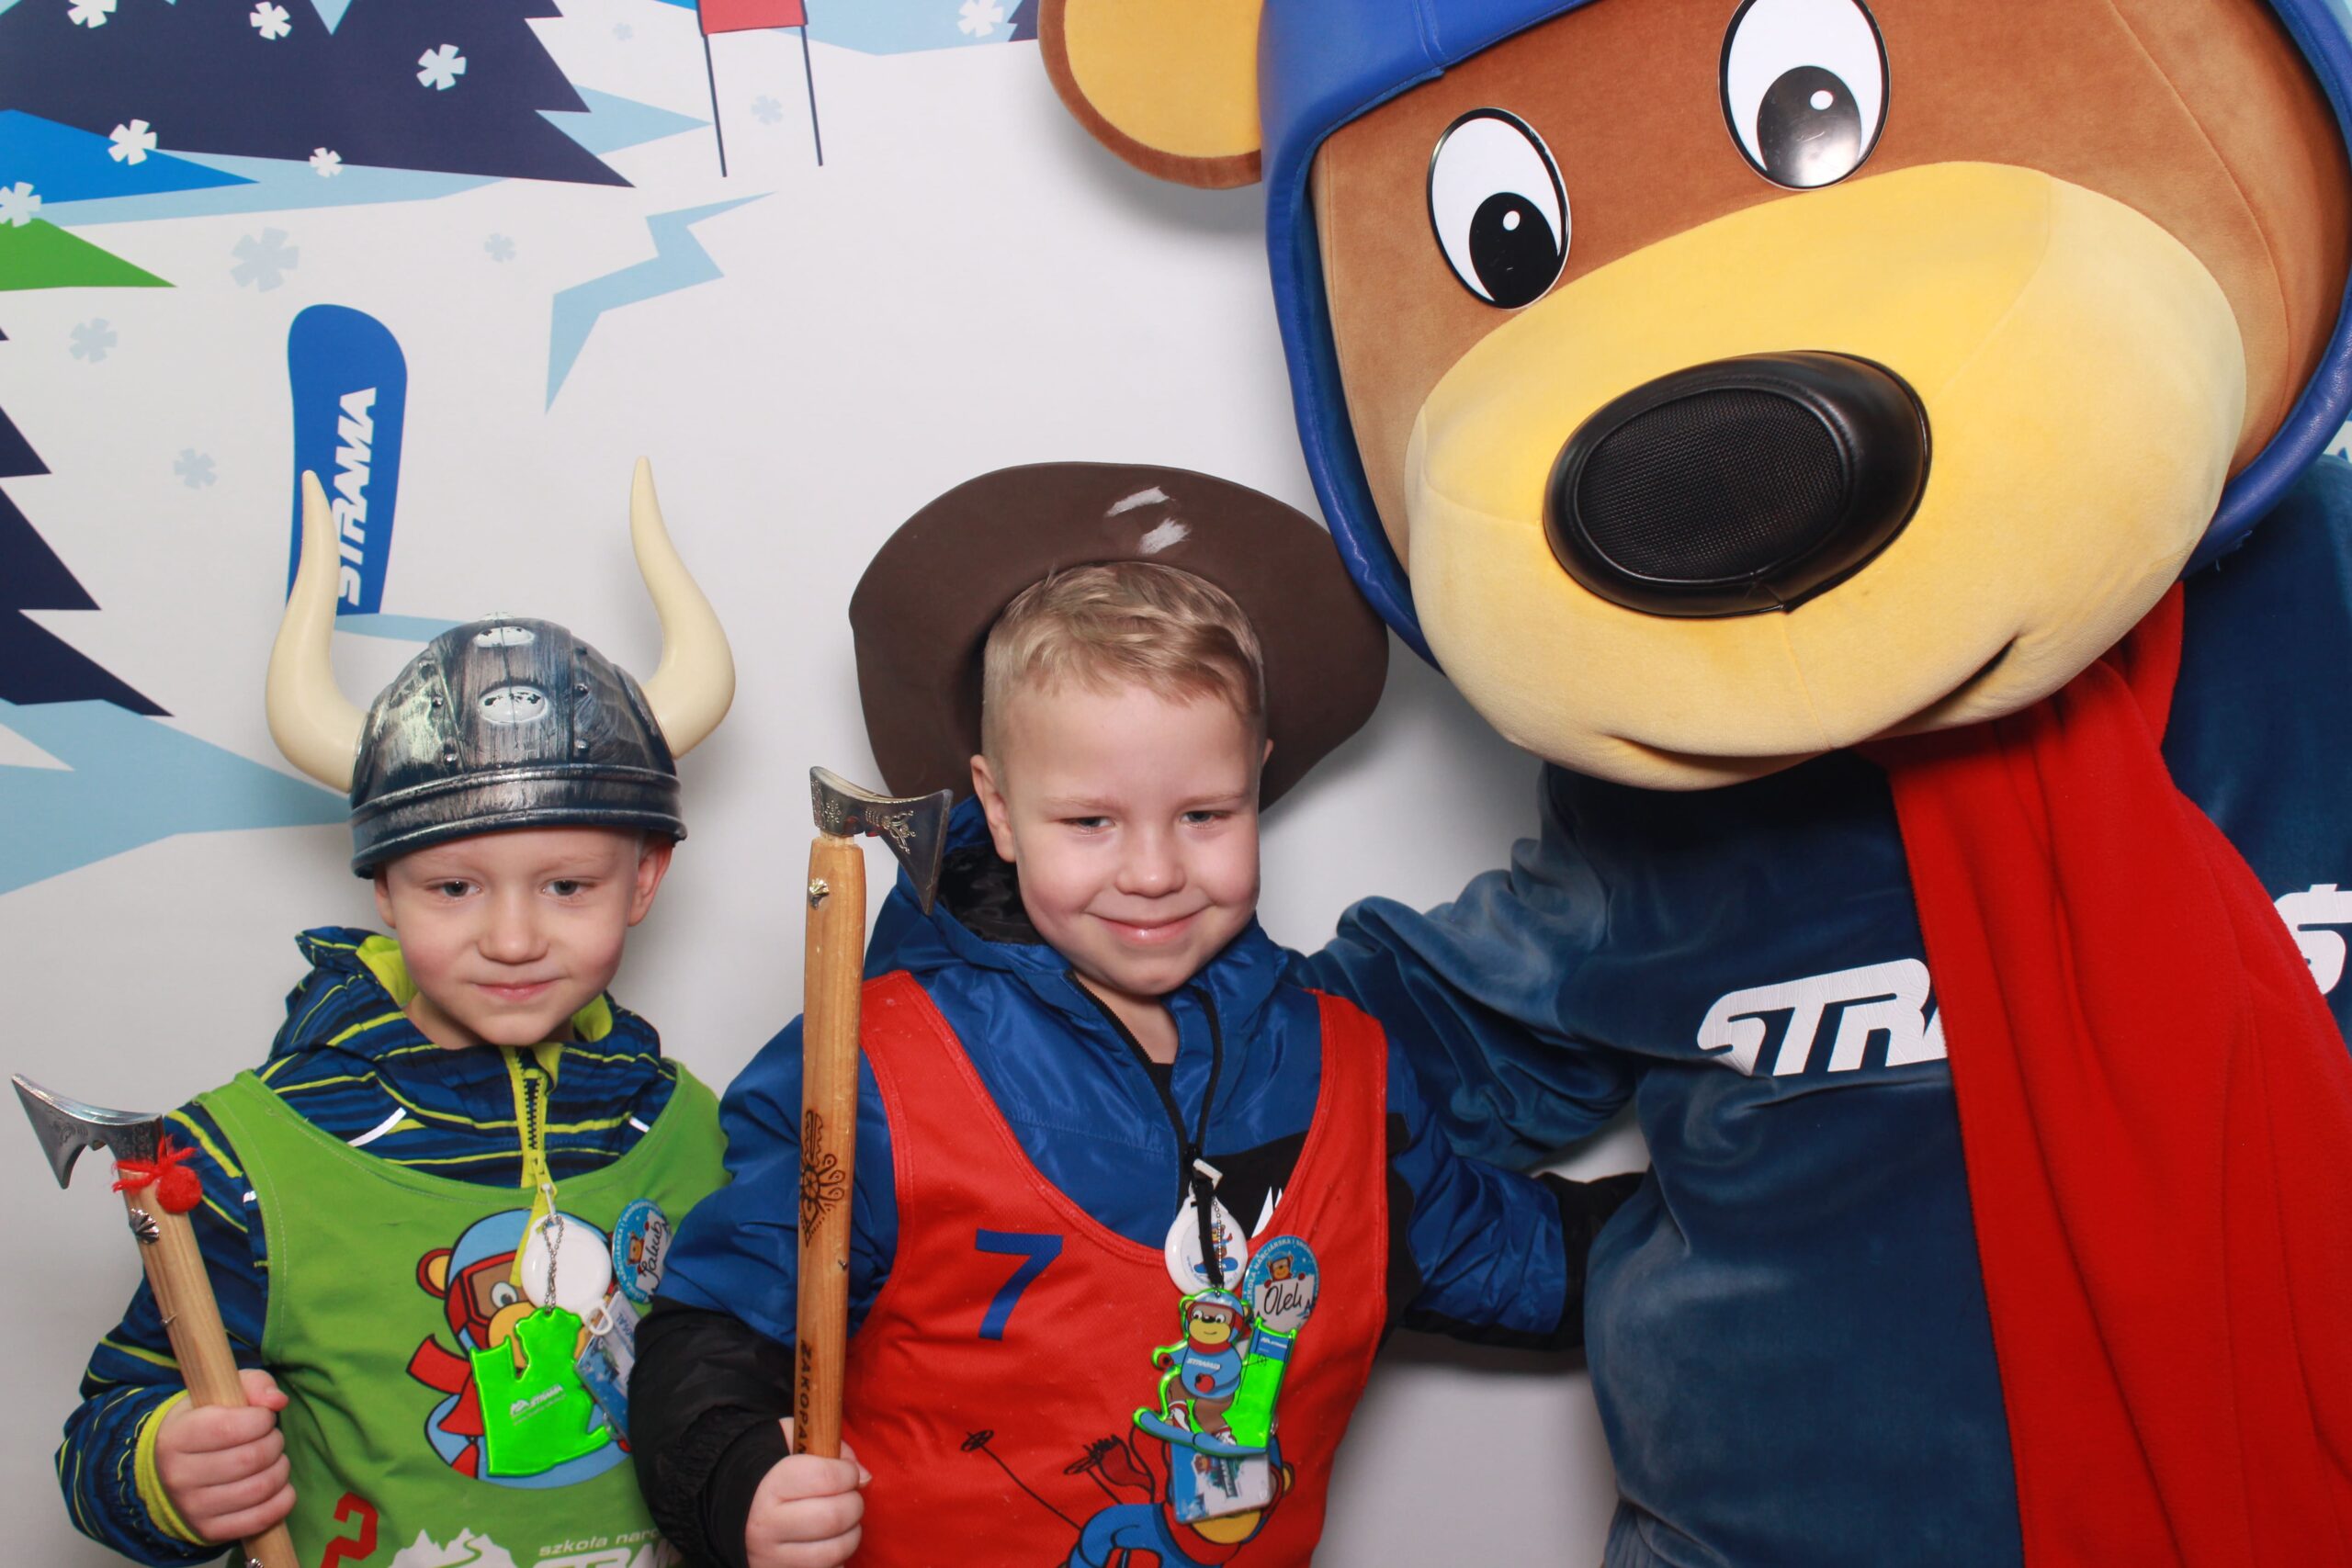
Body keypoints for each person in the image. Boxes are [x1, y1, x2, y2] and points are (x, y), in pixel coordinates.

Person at [628, 463, 1641, 1568]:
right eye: (1091, 822)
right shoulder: (871, 1069)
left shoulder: (1342, 1062)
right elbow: (717, 1325)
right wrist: (733, 1480)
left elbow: (1492, 1254)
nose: (1153, 872)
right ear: (998, 809)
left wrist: (1742, 1218)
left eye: (1204, 814)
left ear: (1256, 780)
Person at [55, 464, 736, 1567]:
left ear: (643, 881)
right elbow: (109, 1428)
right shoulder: (246, 1159)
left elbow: (745, 1384)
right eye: (453, 888)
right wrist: (164, 1467)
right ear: (382, 888)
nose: (511, 938)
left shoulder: (687, 1127)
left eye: (567, 886)